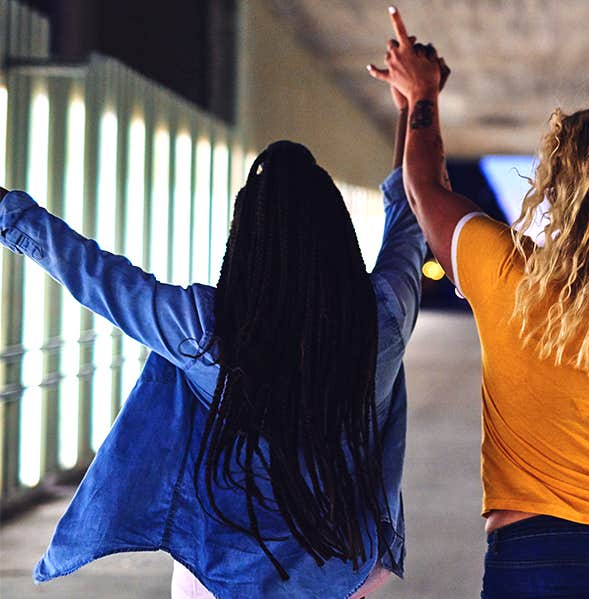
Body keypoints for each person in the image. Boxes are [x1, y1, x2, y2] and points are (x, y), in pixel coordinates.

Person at [0, 56, 444, 596]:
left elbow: (98, 275)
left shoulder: (207, 332)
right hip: (341, 576)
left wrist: (8, 212)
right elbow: (412, 208)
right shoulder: (381, 322)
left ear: (246, 242)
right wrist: (417, 102)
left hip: (218, 580)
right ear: (337, 234)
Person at [367, 7, 589, 597]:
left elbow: (423, 186)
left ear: (561, 187)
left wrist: (421, 94)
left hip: (533, 554)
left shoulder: (503, 267)